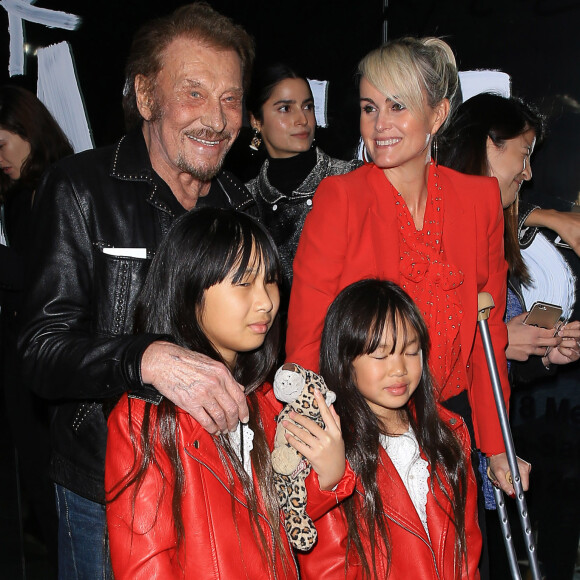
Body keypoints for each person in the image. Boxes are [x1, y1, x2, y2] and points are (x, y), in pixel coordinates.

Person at [17, 4, 260, 578]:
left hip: (218, 481)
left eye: (230, 99)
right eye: (194, 93)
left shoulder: (242, 206)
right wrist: (144, 358)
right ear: (147, 97)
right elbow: (40, 350)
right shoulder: (79, 189)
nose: (216, 119)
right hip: (106, 488)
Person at [285, 37, 526, 501]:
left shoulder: (479, 202)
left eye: (398, 106)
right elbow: (307, 338)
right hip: (362, 434)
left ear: (437, 115)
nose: (380, 125)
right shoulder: (341, 199)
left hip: (448, 432)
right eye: (369, 107)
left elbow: (489, 334)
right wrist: (310, 440)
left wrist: (497, 446)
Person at [105, 208, 350, 579]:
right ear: (189, 288)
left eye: (269, 281)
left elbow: (284, 527)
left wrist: (327, 480)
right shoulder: (143, 419)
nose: (266, 301)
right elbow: (145, 567)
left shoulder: (268, 403)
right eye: (243, 282)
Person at [438, 92, 580, 579]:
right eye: (522, 154)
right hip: (440, 440)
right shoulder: (435, 223)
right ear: (487, 147)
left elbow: (501, 346)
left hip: (485, 441)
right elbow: (439, 344)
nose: (529, 172)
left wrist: (545, 351)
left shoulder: (496, 226)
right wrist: (502, 339)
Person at [297, 279, 481, 579]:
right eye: (381, 355)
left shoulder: (449, 433)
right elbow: (329, 567)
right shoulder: (330, 447)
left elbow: (468, 548)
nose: (399, 369)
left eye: (410, 351)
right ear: (345, 360)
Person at [0, 84, 73, 574]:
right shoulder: (21, 195)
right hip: (32, 360)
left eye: (1, 144)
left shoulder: (55, 188)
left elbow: (44, 278)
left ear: (27, 131)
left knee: (53, 487)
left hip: (53, 361)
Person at [245, 63, 360, 304]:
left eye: (307, 106)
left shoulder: (352, 180)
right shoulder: (244, 202)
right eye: (285, 108)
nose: (302, 119)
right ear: (256, 120)